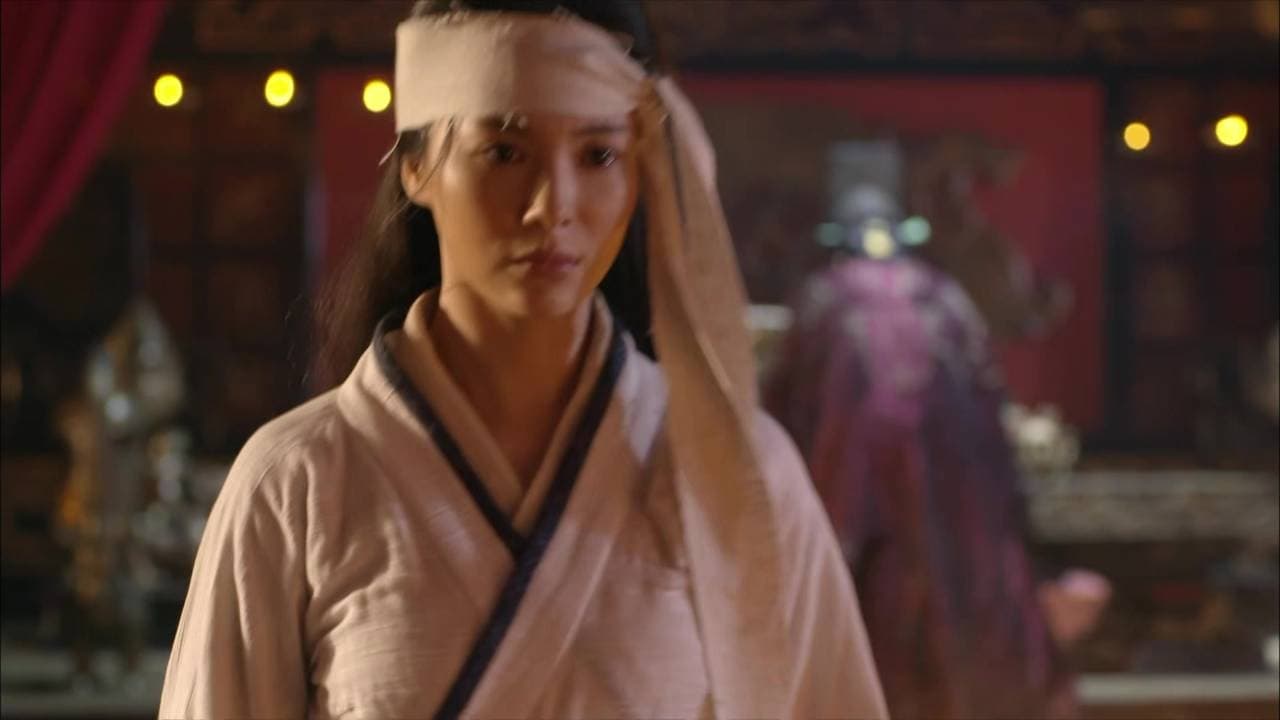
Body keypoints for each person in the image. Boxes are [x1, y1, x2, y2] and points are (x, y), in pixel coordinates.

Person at [158, 1, 886, 718]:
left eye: (598, 155)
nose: (552, 206)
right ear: (416, 167)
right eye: (504, 152)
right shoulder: (294, 485)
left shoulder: (738, 474)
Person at [765, 248, 1110, 719]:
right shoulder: (945, 301)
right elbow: (994, 445)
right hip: (956, 547)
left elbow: (787, 421)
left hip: (866, 539)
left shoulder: (827, 301)